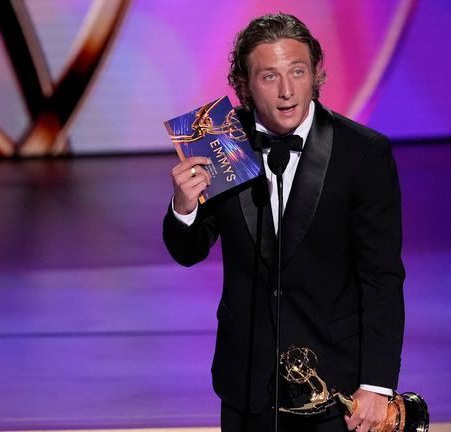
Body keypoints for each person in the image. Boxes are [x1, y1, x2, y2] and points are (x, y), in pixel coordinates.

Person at [163, 13, 405, 432]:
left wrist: (376, 384)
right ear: (244, 86)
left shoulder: (363, 154)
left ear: (315, 75)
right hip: (248, 383)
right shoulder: (222, 142)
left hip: (333, 387)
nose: (287, 91)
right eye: (269, 76)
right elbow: (189, 252)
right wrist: (184, 207)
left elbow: (381, 276)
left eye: (298, 71)